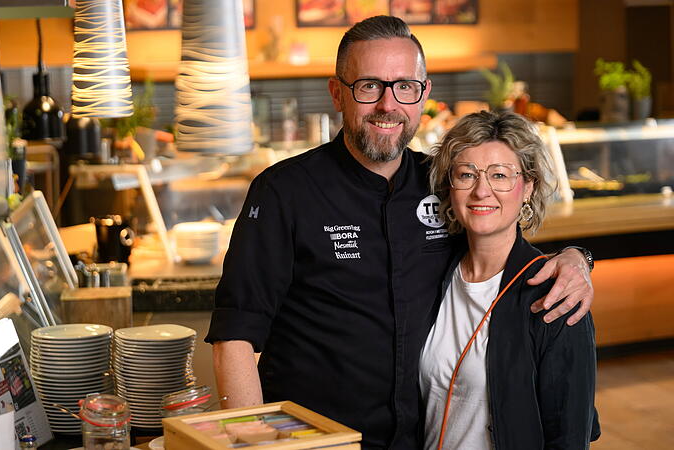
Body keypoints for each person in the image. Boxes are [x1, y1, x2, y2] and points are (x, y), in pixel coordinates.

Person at [205, 15, 595, 449]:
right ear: (338, 93)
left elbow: (497, 235)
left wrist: (576, 259)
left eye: (404, 86)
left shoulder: (442, 182)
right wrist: (251, 442)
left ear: (423, 94)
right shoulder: (284, 191)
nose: (388, 105)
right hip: (316, 441)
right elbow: (234, 336)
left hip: (417, 440)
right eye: (369, 86)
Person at [420, 111, 600, 449]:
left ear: (528, 186)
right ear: (449, 185)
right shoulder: (431, 274)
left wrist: (580, 258)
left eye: (500, 175)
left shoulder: (556, 296)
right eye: (466, 174)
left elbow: (569, 437)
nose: (481, 191)